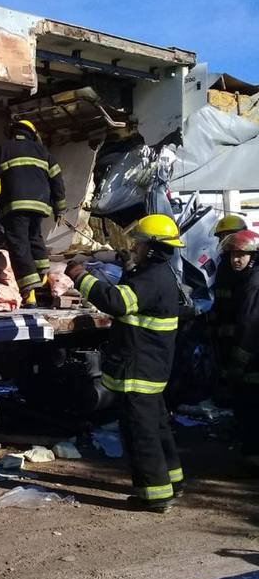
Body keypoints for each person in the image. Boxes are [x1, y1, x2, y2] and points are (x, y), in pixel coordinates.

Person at [65, 214, 184, 513]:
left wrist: (81, 277)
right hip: (150, 366)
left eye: (139, 244)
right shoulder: (158, 273)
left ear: (154, 248)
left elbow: (117, 302)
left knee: (139, 432)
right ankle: (172, 480)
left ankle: (155, 496)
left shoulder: (151, 278)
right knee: (156, 427)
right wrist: (128, 266)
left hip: (138, 367)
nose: (135, 248)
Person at [0, 119, 66, 307]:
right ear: (33, 134)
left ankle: (30, 294)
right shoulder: (44, 152)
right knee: (34, 238)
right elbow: (57, 180)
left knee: (19, 246)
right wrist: (60, 208)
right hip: (39, 206)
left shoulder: (1, 149)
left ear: (13, 132)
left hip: (14, 206)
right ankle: (42, 275)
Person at [216, 230, 259, 460]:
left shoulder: (254, 282)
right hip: (245, 354)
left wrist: (239, 361)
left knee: (251, 408)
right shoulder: (240, 280)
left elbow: (250, 324)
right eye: (233, 254)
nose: (236, 259)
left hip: (252, 357)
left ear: (253, 257)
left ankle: (253, 460)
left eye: (242, 254)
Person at [210, 215, 247, 373]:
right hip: (224, 331)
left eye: (227, 237)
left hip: (243, 335)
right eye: (221, 238)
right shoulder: (224, 264)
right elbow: (221, 296)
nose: (223, 243)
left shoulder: (247, 265)